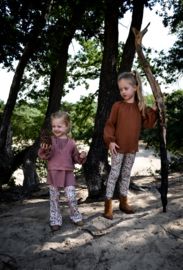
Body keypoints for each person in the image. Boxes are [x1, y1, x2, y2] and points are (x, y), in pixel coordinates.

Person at [103, 70, 158, 219]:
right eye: (120, 89)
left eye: (125, 88)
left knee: (126, 175)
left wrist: (153, 110)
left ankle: (123, 203)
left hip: (131, 148)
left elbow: (148, 124)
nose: (122, 92)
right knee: (114, 175)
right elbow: (110, 125)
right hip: (118, 148)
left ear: (135, 87)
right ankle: (108, 206)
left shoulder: (140, 107)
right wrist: (111, 141)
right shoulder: (118, 106)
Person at [38, 111, 87, 231]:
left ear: (67, 126)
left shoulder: (71, 142)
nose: (56, 129)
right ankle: (55, 219)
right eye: (54, 126)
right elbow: (45, 156)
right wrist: (45, 150)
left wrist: (81, 156)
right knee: (54, 198)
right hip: (54, 172)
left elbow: (75, 158)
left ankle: (75, 216)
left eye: (59, 126)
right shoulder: (49, 140)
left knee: (71, 197)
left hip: (68, 173)